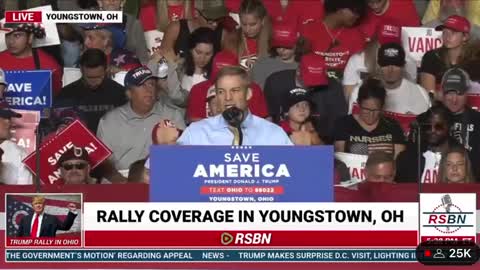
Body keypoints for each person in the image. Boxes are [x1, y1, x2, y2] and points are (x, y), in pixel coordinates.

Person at [155, 66, 292, 145]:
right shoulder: (196, 133)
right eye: (221, 92)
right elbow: (170, 177)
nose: (227, 98)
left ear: (248, 94)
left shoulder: (273, 135)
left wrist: (303, 153)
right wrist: (166, 149)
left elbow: (295, 181)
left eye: (235, 91)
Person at [97, 66, 186, 170]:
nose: (148, 90)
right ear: (129, 93)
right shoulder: (109, 121)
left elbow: (184, 155)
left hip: (162, 175)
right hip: (122, 179)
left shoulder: (172, 116)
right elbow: (101, 161)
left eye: (151, 84)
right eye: (141, 85)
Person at [264, 53, 348, 143]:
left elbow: (339, 122)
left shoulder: (333, 87)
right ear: (298, 72)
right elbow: (267, 117)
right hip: (280, 139)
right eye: (310, 80)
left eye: (318, 81)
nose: (314, 86)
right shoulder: (276, 82)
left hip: (320, 141)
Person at [55, 49, 127, 133]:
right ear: (81, 69)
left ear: (106, 69)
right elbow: (57, 124)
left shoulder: (120, 94)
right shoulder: (66, 95)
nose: (93, 82)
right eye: (89, 77)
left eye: (98, 77)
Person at [343, 21, 418, 101]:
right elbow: (350, 98)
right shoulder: (357, 60)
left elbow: (411, 96)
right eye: (383, 43)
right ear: (374, 41)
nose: (387, 48)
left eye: (392, 43)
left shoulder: (409, 63)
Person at [186, 50, 268, 123]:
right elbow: (193, 120)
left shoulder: (253, 89)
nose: (227, 97)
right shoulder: (198, 90)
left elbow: (263, 119)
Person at [348, 43, 430, 115]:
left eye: (396, 64)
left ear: (403, 65)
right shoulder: (360, 90)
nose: (390, 69)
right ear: (379, 65)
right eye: (385, 64)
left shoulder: (420, 93)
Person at [334, 78, 406, 158]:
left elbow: (399, 161)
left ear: (382, 106)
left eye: (376, 110)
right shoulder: (344, 124)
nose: (371, 114)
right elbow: (339, 159)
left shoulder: (392, 126)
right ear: (358, 103)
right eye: (366, 109)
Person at [301, 0, 367, 79]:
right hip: (315, 85)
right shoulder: (309, 31)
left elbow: (359, 69)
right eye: (355, 11)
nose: (357, 16)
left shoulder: (356, 35)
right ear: (339, 9)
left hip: (344, 85)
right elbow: (303, 65)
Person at [396, 103, 459, 183]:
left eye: (438, 127)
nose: (432, 131)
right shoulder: (408, 157)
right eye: (428, 126)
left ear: (450, 127)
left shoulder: (462, 156)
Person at [419, 15, 478, 99]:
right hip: (439, 108)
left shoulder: (474, 61)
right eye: (445, 32)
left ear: (465, 37)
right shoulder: (431, 57)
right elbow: (428, 94)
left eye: (453, 32)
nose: (447, 37)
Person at [0, 23, 63, 96]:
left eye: (17, 35)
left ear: (30, 37)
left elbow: (55, 96)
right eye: (7, 36)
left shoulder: (49, 65)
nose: (11, 41)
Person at [440, 67, 480, 180]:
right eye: (450, 93)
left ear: (467, 93)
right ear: (442, 93)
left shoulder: (477, 120)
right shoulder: (430, 120)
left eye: (460, 94)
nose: (454, 99)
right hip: (437, 185)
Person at [160, 4, 230, 58]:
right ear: (196, 13)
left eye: (219, 19)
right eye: (210, 20)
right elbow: (163, 59)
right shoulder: (176, 29)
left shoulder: (223, 35)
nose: (215, 24)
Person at [251, 21, 300, 89]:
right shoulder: (262, 64)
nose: (281, 50)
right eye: (278, 46)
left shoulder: (304, 65)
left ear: (297, 44)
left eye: (286, 46)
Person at [232, 0, 272, 70]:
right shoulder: (233, 40)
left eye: (252, 24)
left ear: (263, 20)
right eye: (244, 24)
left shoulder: (271, 41)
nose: (248, 29)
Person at [0, 102, 32, 185]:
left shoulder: (19, 152)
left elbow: (23, 192)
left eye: (9, 119)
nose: (9, 123)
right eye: (2, 118)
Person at [179, 27, 216, 92]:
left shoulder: (216, 75)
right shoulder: (178, 69)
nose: (202, 58)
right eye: (198, 52)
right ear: (190, 49)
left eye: (207, 54)